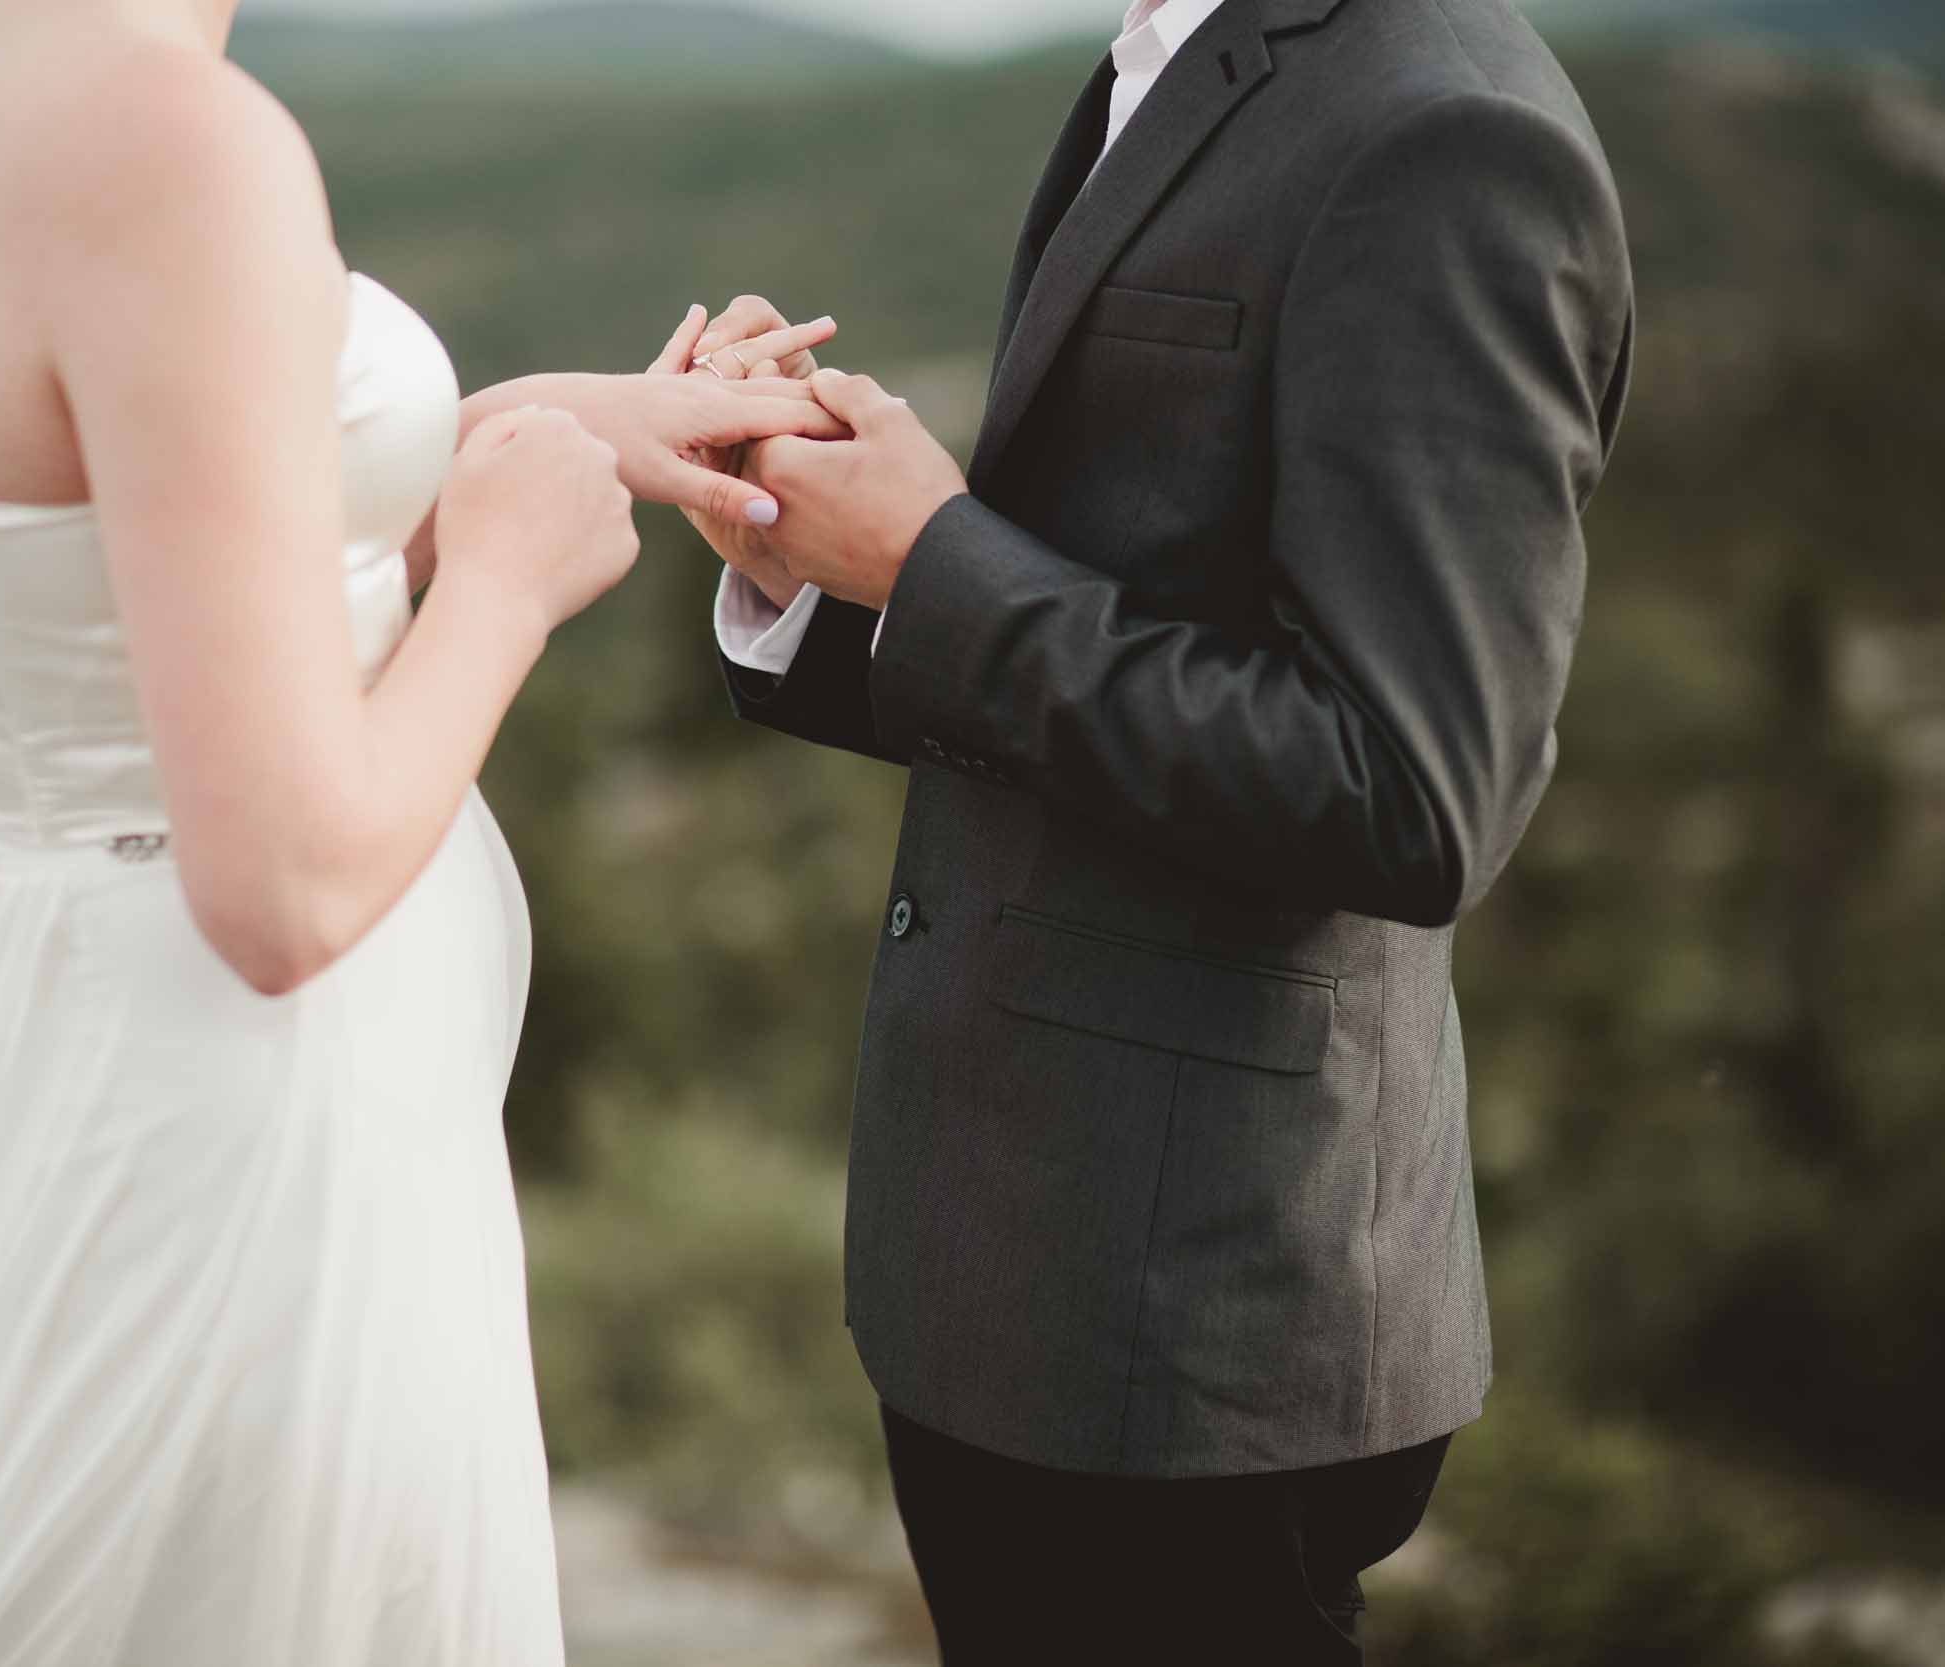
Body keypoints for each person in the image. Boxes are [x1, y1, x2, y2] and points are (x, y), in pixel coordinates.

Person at [0, 0, 845, 1660]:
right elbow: (282, 886)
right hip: (230, 1130)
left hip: (12, 1036)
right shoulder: (175, 144)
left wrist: (553, 431)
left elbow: (123, 527)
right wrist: (509, 577)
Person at [666, 0, 1636, 1658]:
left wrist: (933, 560)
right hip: (1028, 1273)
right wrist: (802, 560)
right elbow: (1129, 584)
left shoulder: (1447, 134)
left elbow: (1409, 788)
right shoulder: (1175, 55)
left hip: (1190, 1328)